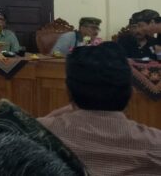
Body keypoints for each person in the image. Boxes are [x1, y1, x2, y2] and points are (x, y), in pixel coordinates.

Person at [38, 42, 161, 175]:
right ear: (130, 92)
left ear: (68, 91)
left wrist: (52, 115)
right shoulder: (155, 143)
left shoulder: (41, 134)